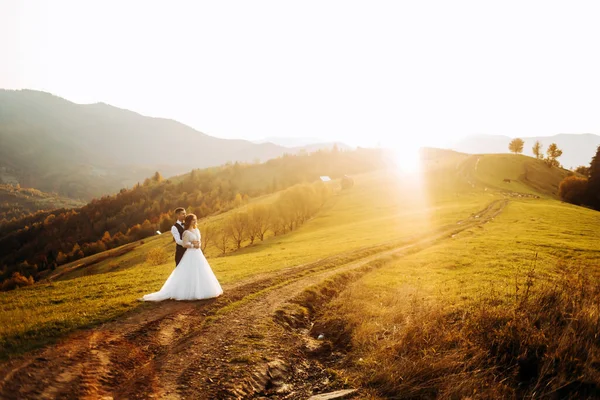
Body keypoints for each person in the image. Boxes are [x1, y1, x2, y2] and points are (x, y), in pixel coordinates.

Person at [142, 213, 223, 301]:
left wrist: (199, 244)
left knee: (201, 270)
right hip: (190, 253)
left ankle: (204, 290)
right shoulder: (186, 232)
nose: (195, 221)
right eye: (193, 220)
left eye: (195, 219)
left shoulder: (197, 230)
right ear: (189, 221)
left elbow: (199, 241)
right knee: (190, 272)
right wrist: (192, 245)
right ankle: (189, 291)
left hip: (198, 253)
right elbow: (184, 244)